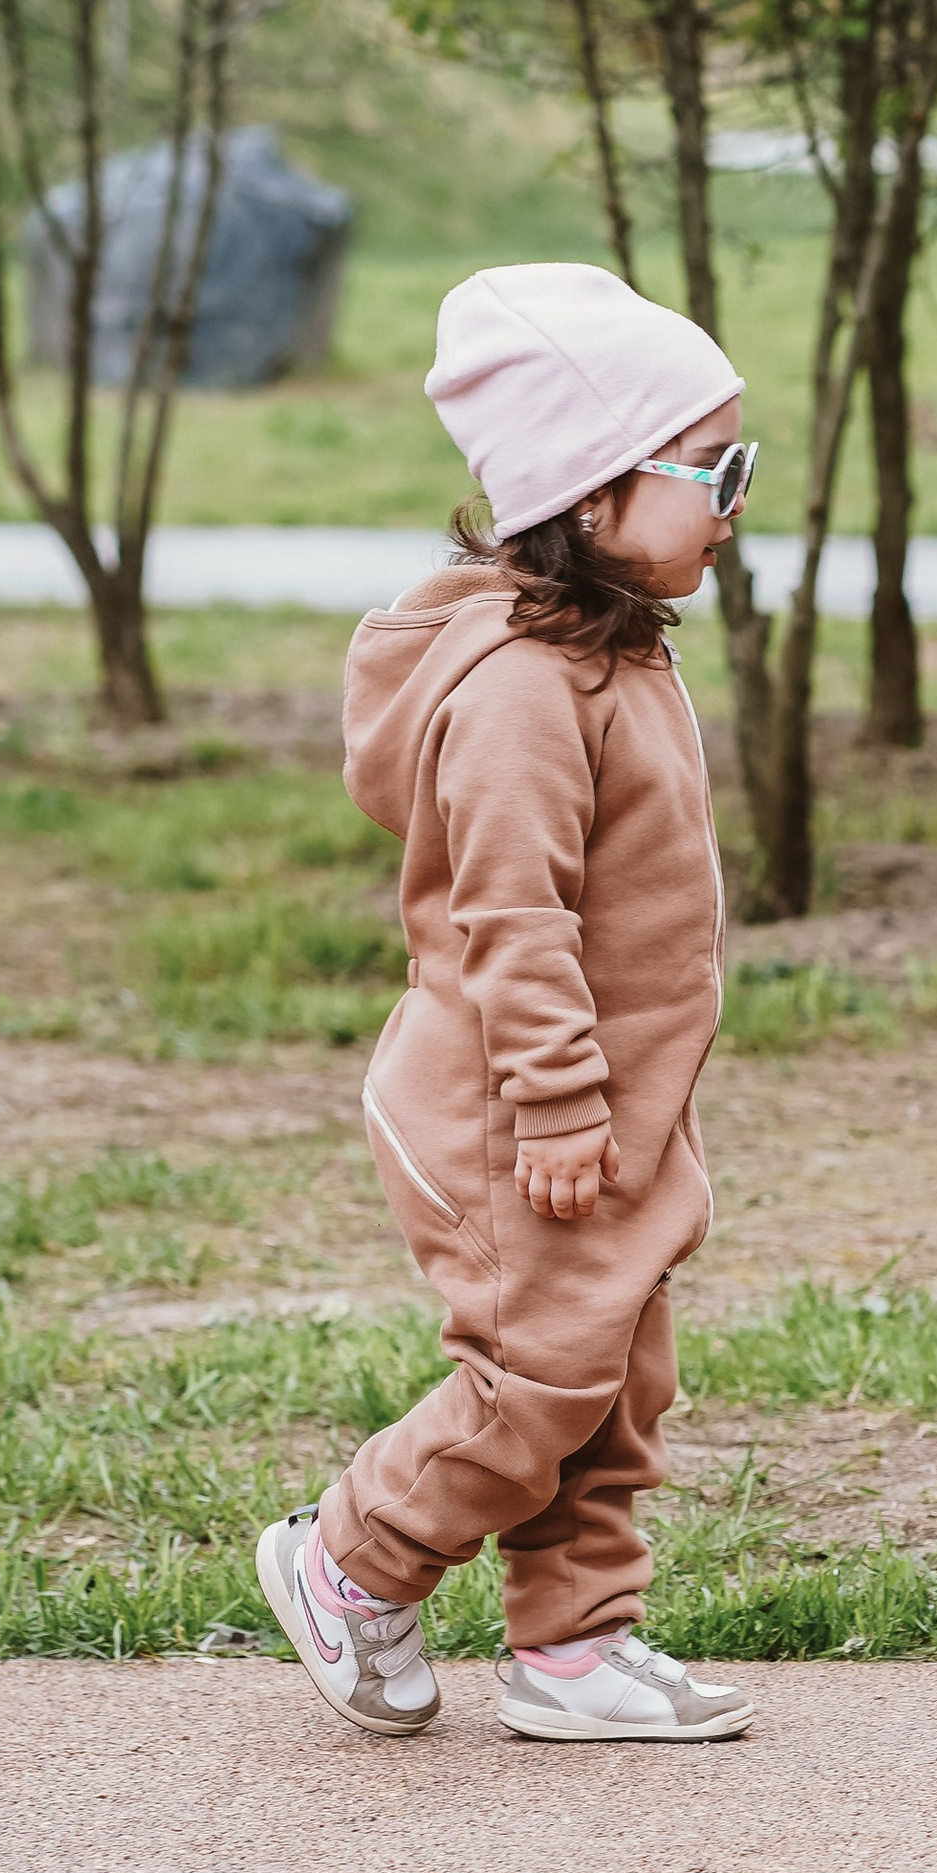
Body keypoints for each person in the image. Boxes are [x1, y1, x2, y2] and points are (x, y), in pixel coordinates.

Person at [255, 260, 758, 1746]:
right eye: (714, 469)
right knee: (541, 1376)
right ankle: (353, 1558)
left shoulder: (616, 647)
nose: (739, 499)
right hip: (514, 1103)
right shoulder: (524, 690)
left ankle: (572, 1648)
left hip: (613, 1100)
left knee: (614, 1382)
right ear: (594, 494)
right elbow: (511, 916)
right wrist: (555, 1100)